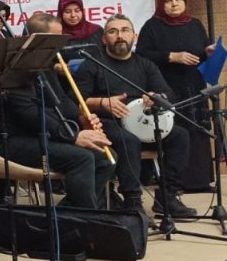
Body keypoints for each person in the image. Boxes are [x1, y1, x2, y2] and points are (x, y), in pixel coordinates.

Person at [75, 15, 196, 217]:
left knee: (180, 136)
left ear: (134, 36)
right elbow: (74, 101)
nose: (119, 36)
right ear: (104, 39)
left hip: (144, 122)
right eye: (113, 31)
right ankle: (132, 202)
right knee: (128, 140)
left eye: (125, 30)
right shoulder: (92, 64)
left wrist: (157, 97)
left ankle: (167, 197)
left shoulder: (145, 64)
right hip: (107, 123)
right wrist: (103, 102)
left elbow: (168, 94)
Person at [0, 13, 115, 209]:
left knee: (107, 157)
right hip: (14, 140)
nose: (61, 44)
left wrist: (82, 118)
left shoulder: (45, 62)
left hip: (43, 134)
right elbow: (30, 114)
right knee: (81, 158)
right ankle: (82, 218)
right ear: (38, 40)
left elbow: (62, 101)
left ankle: (70, 213)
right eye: (57, 39)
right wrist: (73, 136)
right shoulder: (12, 68)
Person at [136, 0, 215, 191]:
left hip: (194, 84)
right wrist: (171, 56)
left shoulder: (195, 24)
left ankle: (200, 181)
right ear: (162, 5)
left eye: (178, 0)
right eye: (169, 1)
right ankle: (175, 183)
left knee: (198, 130)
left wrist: (208, 52)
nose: (174, 4)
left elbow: (201, 50)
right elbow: (142, 55)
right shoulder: (152, 26)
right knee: (178, 133)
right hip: (167, 86)